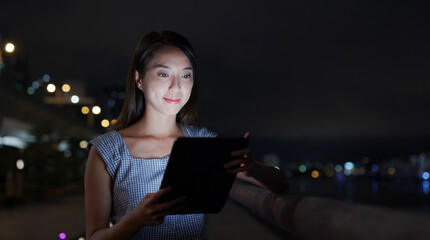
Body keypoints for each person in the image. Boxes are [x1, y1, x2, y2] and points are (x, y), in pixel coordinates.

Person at [84, 31, 289, 240]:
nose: (176, 86)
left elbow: (280, 184)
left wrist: (252, 167)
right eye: (164, 74)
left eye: (186, 75)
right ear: (139, 79)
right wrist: (135, 220)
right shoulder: (107, 150)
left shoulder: (203, 143)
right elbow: (94, 236)